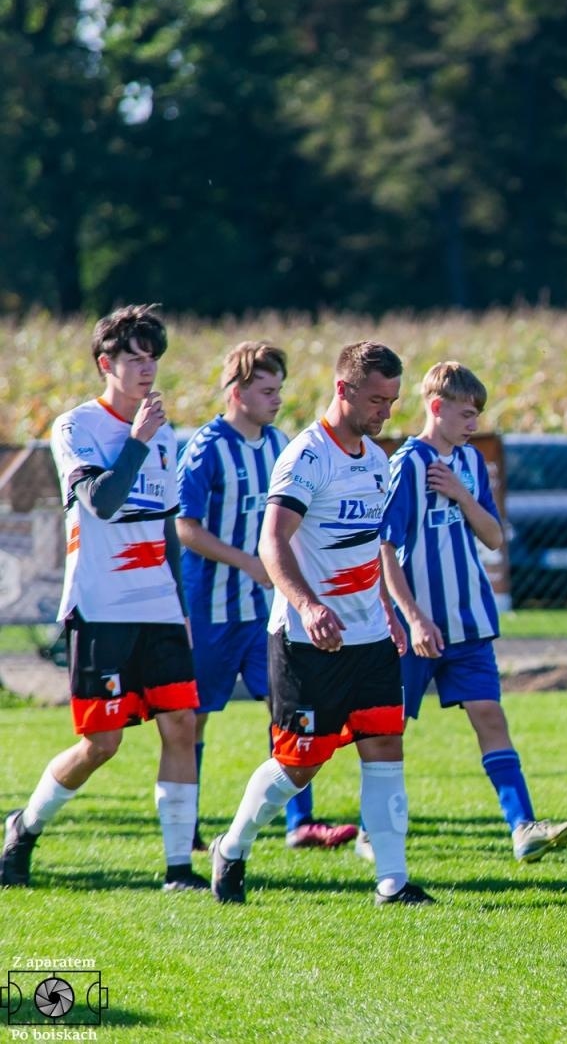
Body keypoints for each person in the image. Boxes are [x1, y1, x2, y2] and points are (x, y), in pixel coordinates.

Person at [209, 341, 433, 906]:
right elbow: (272, 541)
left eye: (393, 400)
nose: (386, 411)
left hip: (370, 639)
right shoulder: (308, 456)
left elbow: (367, 548)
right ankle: (231, 848)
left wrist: (387, 605)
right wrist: (309, 605)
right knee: (298, 766)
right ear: (344, 389)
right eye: (377, 399)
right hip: (308, 643)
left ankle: (393, 881)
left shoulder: (377, 461)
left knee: (385, 748)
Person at [1, 305, 203, 892]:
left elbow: (163, 527)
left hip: (159, 607)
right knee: (101, 744)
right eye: (134, 358)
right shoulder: (76, 427)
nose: (147, 369)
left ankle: (178, 869)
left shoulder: (161, 432)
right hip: (101, 607)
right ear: (104, 364)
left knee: (182, 725)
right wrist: (136, 441)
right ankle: (25, 825)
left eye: (153, 358)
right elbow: (103, 502)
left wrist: (181, 611)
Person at [379, 361, 567, 862]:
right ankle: (373, 829)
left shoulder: (467, 463)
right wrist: (414, 618)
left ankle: (523, 828)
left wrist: (462, 494)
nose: (473, 424)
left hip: (468, 622)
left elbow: (493, 537)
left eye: (478, 415)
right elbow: (384, 549)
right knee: (385, 732)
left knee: (490, 715)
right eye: (466, 414)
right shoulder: (407, 464)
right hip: (415, 626)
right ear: (436, 407)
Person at [176, 341, 357, 853]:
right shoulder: (207, 448)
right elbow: (186, 528)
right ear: (237, 393)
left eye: (280, 389)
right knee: (194, 716)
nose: (277, 399)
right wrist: (248, 562)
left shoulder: (281, 443)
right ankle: (184, 824)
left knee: (291, 709)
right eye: (267, 390)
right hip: (211, 610)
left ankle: (301, 823)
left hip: (266, 614)